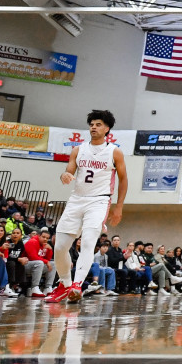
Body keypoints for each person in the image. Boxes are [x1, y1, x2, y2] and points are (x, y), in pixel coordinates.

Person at [44, 110, 128, 303]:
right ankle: (65, 285)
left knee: (89, 241)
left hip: (99, 200)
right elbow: (69, 171)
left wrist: (119, 206)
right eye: (91, 124)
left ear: (107, 129)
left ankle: (77, 285)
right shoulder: (78, 149)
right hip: (76, 199)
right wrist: (65, 175)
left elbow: (123, 180)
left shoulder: (114, 151)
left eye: (98, 124)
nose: (93, 127)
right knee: (60, 247)